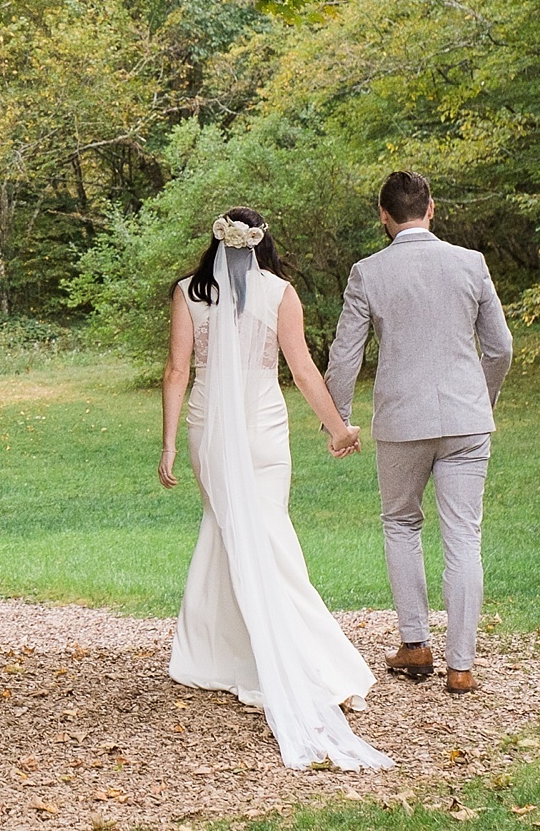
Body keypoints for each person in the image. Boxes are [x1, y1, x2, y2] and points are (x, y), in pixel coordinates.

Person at [159, 207, 392, 771]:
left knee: (235, 532)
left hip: (208, 433)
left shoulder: (189, 292)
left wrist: (167, 445)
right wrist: (339, 428)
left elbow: (176, 370)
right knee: (259, 537)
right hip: (264, 432)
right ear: (262, 244)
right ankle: (240, 656)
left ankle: (231, 655)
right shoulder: (281, 293)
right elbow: (304, 370)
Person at [325, 171, 513, 695]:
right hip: (466, 421)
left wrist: (337, 421)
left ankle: (415, 643)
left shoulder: (368, 272)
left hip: (403, 422)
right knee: (464, 536)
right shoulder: (471, 264)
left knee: (401, 524)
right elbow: (500, 349)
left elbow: (345, 356)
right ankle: (461, 665)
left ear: (383, 216)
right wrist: (482, 401)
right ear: (431, 208)